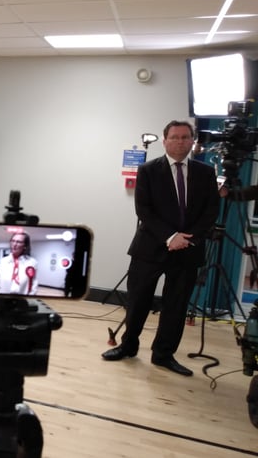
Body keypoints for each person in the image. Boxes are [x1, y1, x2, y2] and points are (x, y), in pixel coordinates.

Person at [102, 120, 219, 376]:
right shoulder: (147, 170)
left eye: (185, 137)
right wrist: (170, 236)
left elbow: (211, 211)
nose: (180, 142)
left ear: (192, 141)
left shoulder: (205, 173)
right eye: (174, 137)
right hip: (150, 248)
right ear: (165, 141)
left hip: (188, 249)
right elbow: (144, 209)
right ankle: (128, 346)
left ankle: (163, 354)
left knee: (176, 306)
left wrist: (189, 238)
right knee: (137, 301)